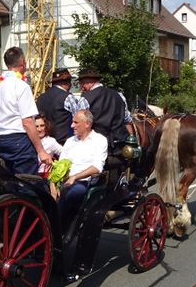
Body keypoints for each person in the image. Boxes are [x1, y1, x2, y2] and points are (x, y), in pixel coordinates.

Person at [0, 46, 52, 175]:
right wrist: (41, 151)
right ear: (22, 63)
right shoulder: (21, 85)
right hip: (19, 139)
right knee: (27, 183)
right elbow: (27, 122)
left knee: (8, 182)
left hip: (2, 140)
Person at [56, 109, 108, 238]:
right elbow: (60, 165)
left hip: (84, 182)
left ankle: (57, 230)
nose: (71, 125)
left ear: (87, 124)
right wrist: (54, 183)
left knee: (70, 193)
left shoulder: (99, 140)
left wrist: (75, 177)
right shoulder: (70, 141)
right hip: (65, 181)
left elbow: (97, 167)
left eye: (75, 122)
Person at [76, 68, 134, 147]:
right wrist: (131, 141)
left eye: (82, 83)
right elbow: (127, 120)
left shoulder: (85, 99)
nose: (81, 87)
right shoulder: (119, 95)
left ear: (89, 82)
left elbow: (80, 123)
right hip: (120, 144)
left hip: (96, 146)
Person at [36, 68, 86, 144]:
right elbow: (79, 118)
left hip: (45, 141)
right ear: (67, 83)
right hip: (64, 141)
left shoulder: (40, 98)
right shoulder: (68, 97)